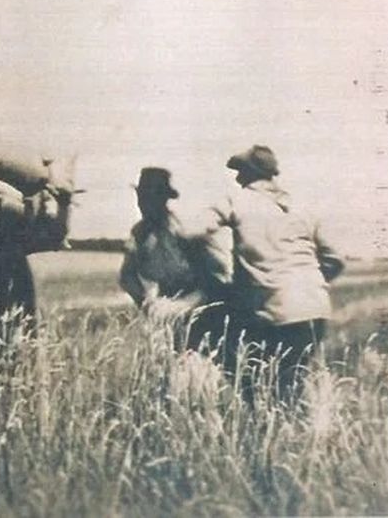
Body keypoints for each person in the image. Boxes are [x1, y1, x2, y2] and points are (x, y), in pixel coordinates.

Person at [198, 144, 345, 401]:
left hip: (271, 311)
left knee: (258, 390)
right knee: (291, 385)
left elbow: (194, 231)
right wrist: (307, 283)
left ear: (246, 174)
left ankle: (269, 435)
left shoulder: (237, 200)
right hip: (313, 308)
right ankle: (299, 432)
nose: (237, 178)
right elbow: (335, 258)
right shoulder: (301, 205)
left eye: (239, 173)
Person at [118, 167, 225, 352]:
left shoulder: (185, 232)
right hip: (165, 316)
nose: (143, 204)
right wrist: (148, 304)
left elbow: (215, 282)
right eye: (141, 198)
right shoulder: (139, 233)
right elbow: (127, 276)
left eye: (150, 199)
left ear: (163, 200)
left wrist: (184, 306)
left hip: (201, 315)